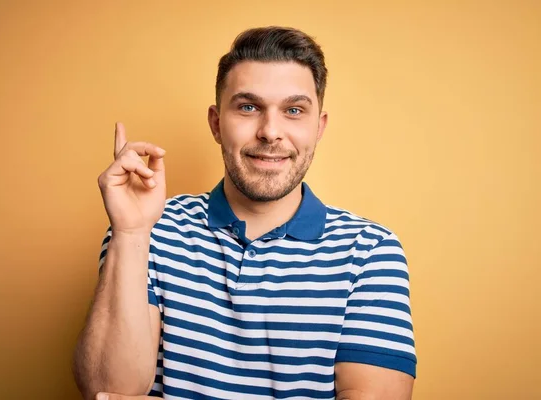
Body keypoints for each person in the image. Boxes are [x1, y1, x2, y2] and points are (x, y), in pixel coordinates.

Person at [73, 26, 417, 400]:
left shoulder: (369, 252)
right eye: (248, 107)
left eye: (294, 110)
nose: (271, 132)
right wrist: (131, 234)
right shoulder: (148, 229)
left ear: (318, 128)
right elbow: (106, 391)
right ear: (217, 124)